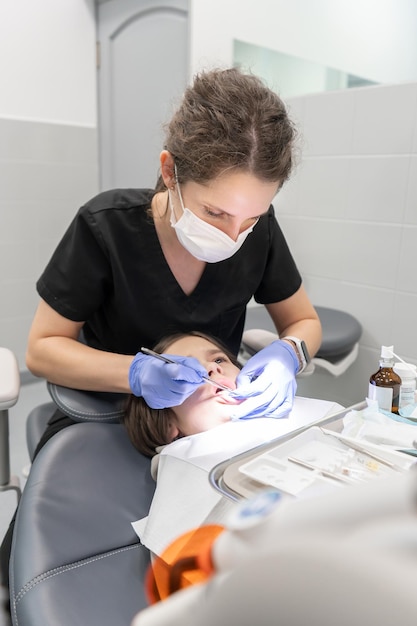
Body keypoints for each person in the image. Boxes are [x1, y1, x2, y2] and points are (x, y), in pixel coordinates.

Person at [1, 67, 322, 589]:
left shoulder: (258, 235)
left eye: (252, 218)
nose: (233, 235)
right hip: (112, 412)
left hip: (215, 434)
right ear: (170, 171)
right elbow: (43, 350)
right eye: (215, 212)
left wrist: (290, 354)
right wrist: (135, 374)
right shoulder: (105, 226)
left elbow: (303, 322)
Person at [122, 331, 243, 457]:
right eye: (187, 371)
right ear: (168, 425)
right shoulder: (190, 468)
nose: (212, 366)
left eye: (218, 360)